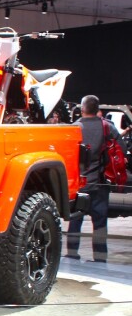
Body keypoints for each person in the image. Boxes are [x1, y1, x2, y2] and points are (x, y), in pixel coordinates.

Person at [66, 95, 121, 263]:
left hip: (79, 183)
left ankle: (72, 253)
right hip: (100, 183)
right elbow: (121, 150)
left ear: (82, 109)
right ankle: (100, 257)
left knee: (75, 220)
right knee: (100, 223)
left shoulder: (74, 128)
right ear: (98, 109)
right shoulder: (107, 127)